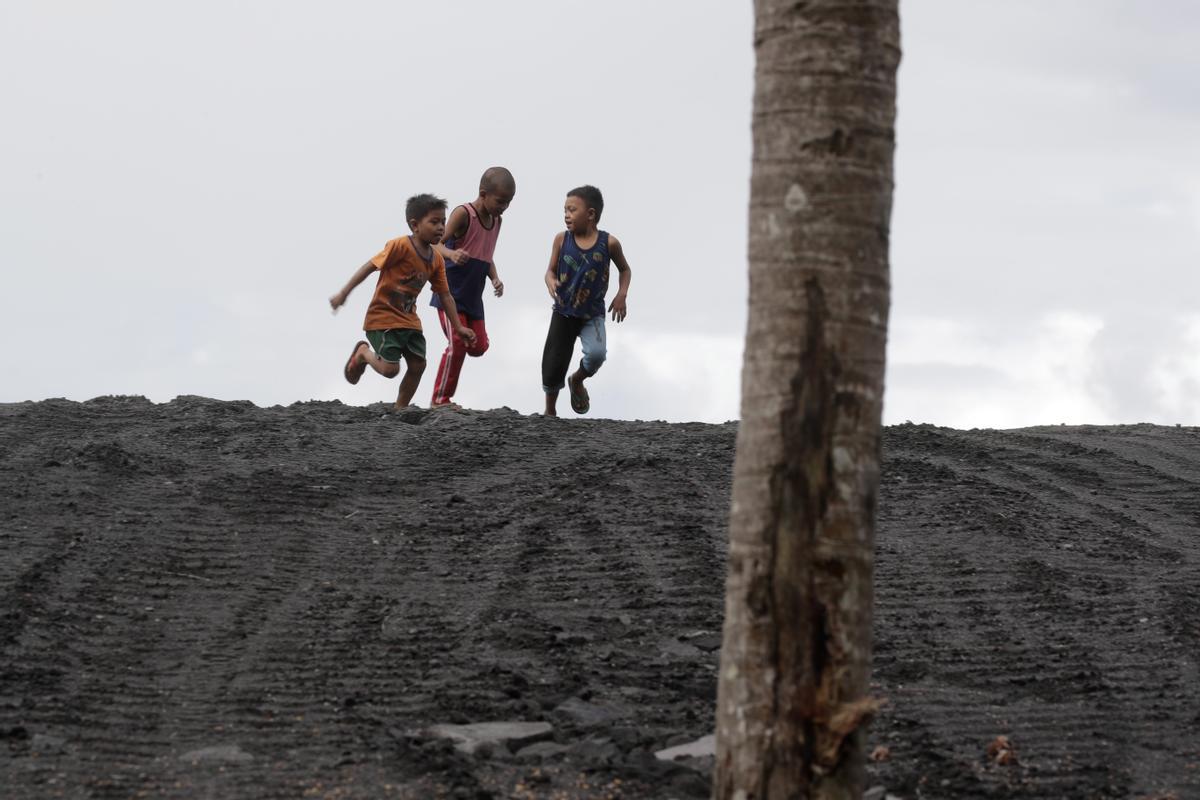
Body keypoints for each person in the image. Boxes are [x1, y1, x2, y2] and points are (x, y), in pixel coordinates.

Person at [330, 194, 476, 409]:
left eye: (443, 222)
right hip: (383, 318)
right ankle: (363, 353)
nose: (441, 228)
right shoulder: (400, 246)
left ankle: (400, 409)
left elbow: (445, 295)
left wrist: (459, 327)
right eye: (434, 222)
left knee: (418, 364)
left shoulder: (436, 259)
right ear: (415, 225)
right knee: (390, 370)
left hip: (409, 320)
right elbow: (370, 266)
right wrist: (344, 293)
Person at [541, 185, 632, 416]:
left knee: (597, 354)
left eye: (572, 210)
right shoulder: (561, 240)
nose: (566, 215)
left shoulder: (609, 243)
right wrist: (550, 280)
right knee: (553, 363)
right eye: (565, 210)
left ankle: (577, 380)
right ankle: (549, 411)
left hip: (592, 314)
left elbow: (625, 270)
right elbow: (549, 271)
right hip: (563, 311)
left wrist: (622, 294)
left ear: (590, 214)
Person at [428, 167, 516, 407]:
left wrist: (495, 278)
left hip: (473, 297)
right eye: (500, 201)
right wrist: (451, 253)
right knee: (457, 343)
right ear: (483, 193)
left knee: (478, 347)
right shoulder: (464, 214)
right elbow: (433, 245)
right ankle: (440, 399)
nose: (504, 207)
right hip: (450, 294)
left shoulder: (497, 221)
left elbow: (485, 255)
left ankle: (443, 395)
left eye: (508, 203)